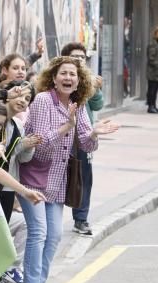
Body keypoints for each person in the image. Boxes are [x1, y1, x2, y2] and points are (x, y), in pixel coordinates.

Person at [18, 57, 119, 283]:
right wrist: (66, 126)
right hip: (33, 179)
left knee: (55, 236)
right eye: (63, 73)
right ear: (54, 78)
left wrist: (94, 132)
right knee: (38, 232)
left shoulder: (78, 103)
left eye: (73, 74)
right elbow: (39, 147)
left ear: (79, 80)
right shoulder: (42, 101)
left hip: (57, 182)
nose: (68, 78)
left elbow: (86, 143)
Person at [62, 42, 106, 236]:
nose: (80, 60)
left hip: (83, 137)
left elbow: (97, 106)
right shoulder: (61, 79)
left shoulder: (89, 81)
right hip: (61, 135)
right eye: (75, 56)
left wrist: (95, 89)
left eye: (82, 57)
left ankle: (81, 219)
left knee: (83, 178)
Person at [148, 26, 158, 113]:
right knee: (152, 90)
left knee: (155, 91)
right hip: (152, 72)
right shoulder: (153, 44)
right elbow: (151, 59)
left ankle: (154, 105)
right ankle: (150, 106)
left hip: (156, 73)